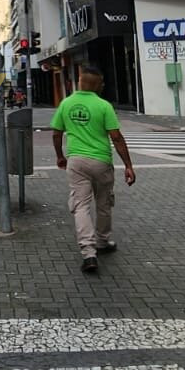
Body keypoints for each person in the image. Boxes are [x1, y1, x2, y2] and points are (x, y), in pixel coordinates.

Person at [50, 64, 136, 274]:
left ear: (80, 82)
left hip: (76, 161)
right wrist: (128, 165)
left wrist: (60, 156)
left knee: (81, 206)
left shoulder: (66, 104)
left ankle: (88, 253)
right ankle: (102, 241)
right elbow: (116, 137)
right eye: (102, 83)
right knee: (104, 204)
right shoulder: (104, 106)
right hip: (101, 162)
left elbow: (56, 133)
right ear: (97, 85)